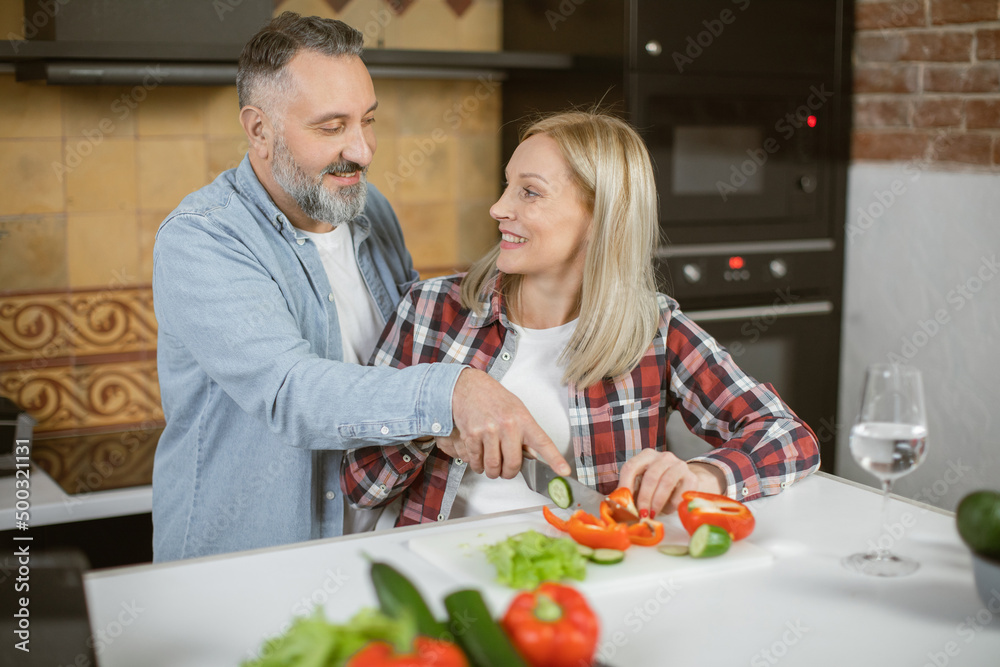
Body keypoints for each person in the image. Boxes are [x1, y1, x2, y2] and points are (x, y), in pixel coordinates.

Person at [150, 13, 568, 562]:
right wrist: (450, 394)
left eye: (367, 120)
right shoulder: (203, 240)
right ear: (259, 130)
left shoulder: (370, 211)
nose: (364, 150)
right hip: (248, 566)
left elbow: (407, 351)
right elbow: (291, 393)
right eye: (332, 127)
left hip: (367, 554)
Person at [341, 111, 820, 526]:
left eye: (529, 192)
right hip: (439, 569)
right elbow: (358, 483)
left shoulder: (654, 332)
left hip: (584, 570)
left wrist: (704, 475)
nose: (498, 208)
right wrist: (431, 430)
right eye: (508, 185)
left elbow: (790, 436)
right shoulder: (431, 310)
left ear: (599, 216)